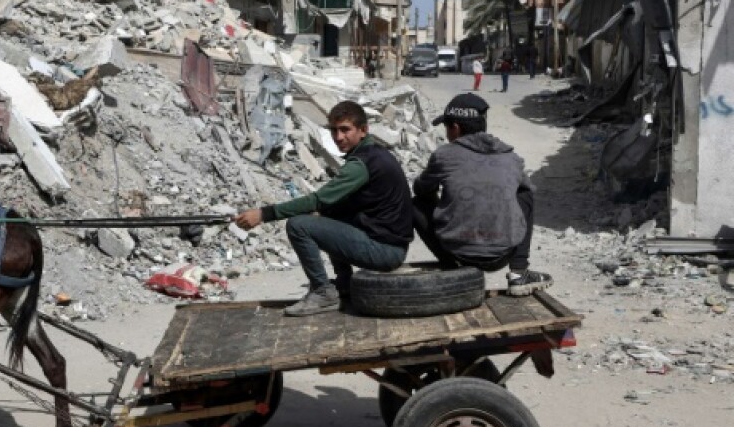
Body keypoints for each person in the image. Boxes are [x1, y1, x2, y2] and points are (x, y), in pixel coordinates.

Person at [234, 101, 413, 316]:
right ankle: (343, 286)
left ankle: (323, 293)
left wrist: (264, 213)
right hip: (389, 244)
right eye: (334, 130)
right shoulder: (373, 154)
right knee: (327, 216)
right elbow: (330, 206)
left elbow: (317, 200)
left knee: (299, 225)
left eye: (345, 130)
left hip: (386, 251)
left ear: (363, 130)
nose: (338, 138)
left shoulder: (361, 165)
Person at [412, 93, 553, 295]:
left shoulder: (444, 155)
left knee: (416, 204)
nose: (446, 134)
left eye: (447, 127)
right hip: (502, 255)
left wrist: (441, 197)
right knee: (525, 194)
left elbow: (421, 189)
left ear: (456, 128)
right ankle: (519, 272)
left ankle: (456, 272)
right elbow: (522, 191)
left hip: (457, 253)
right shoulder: (511, 157)